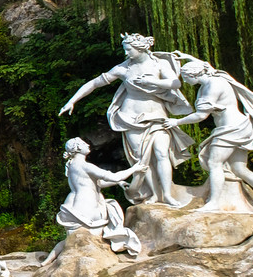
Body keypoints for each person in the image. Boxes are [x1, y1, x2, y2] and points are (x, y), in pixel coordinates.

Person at [58, 33, 194, 207]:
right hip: (130, 119)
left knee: (161, 153)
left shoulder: (159, 64)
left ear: (141, 48)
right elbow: (94, 83)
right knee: (142, 160)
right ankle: (153, 194)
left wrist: (154, 82)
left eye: (129, 50)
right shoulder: (123, 68)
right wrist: (72, 101)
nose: (126, 53)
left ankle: (167, 194)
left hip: (156, 116)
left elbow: (175, 83)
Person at [168, 56, 253, 215]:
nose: (185, 82)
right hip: (240, 126)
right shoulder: (214, 76)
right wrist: (186, 57)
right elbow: (205, 65)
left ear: (194, 75)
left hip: (231, 129)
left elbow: (201, 116)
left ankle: (214, 203)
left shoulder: (212, 86)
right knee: (239, 169)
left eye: (186, 78)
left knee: (214, 162)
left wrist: (175, 122)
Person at [55, 139, 143, 257]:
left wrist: (120, 183)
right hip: (87, 208)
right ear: (78, 148)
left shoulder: (72, 166)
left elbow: (97, 184)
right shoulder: (84, 165)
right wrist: (134, 169)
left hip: (77, 205)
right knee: (95, 234)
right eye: (83, 143)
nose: (88, 145)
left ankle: (47, 260)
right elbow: (113, 177)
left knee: (71, 239)